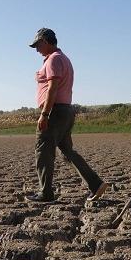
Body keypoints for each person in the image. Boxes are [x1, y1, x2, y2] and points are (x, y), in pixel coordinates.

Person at [26, 27, 108, 203]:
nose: (37, 49)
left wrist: (45, 114)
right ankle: (95, 184)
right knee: (68, 151)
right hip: (65, 111)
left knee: (43, 151)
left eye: (38, 45)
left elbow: (52, 89)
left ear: (46, 41)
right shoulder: (63, 58)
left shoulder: (54, 60)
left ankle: (46, 193)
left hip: (55, 112)